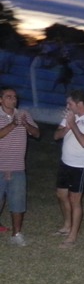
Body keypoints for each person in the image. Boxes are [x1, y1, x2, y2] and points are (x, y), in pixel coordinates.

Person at [54, 89, 84, 248]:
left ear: (80, 103)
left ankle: (72, 237)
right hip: (65, 162)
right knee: (61, 195)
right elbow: (56, 136)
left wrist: (73, 124)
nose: (67, 106)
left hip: (80, 166)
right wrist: (67, 126)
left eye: (70, 103)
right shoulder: (71, 115)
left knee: (75, 200)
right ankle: (67, 225)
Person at [0, 87, 40, 246]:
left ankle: (16, 234)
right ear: (0, 99)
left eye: (15, 97)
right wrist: (13, 124)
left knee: (18, 202)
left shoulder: (24, 114)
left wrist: (26, 124)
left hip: (17, 167)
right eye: (8, 96)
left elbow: (37, 134)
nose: (13, 99)